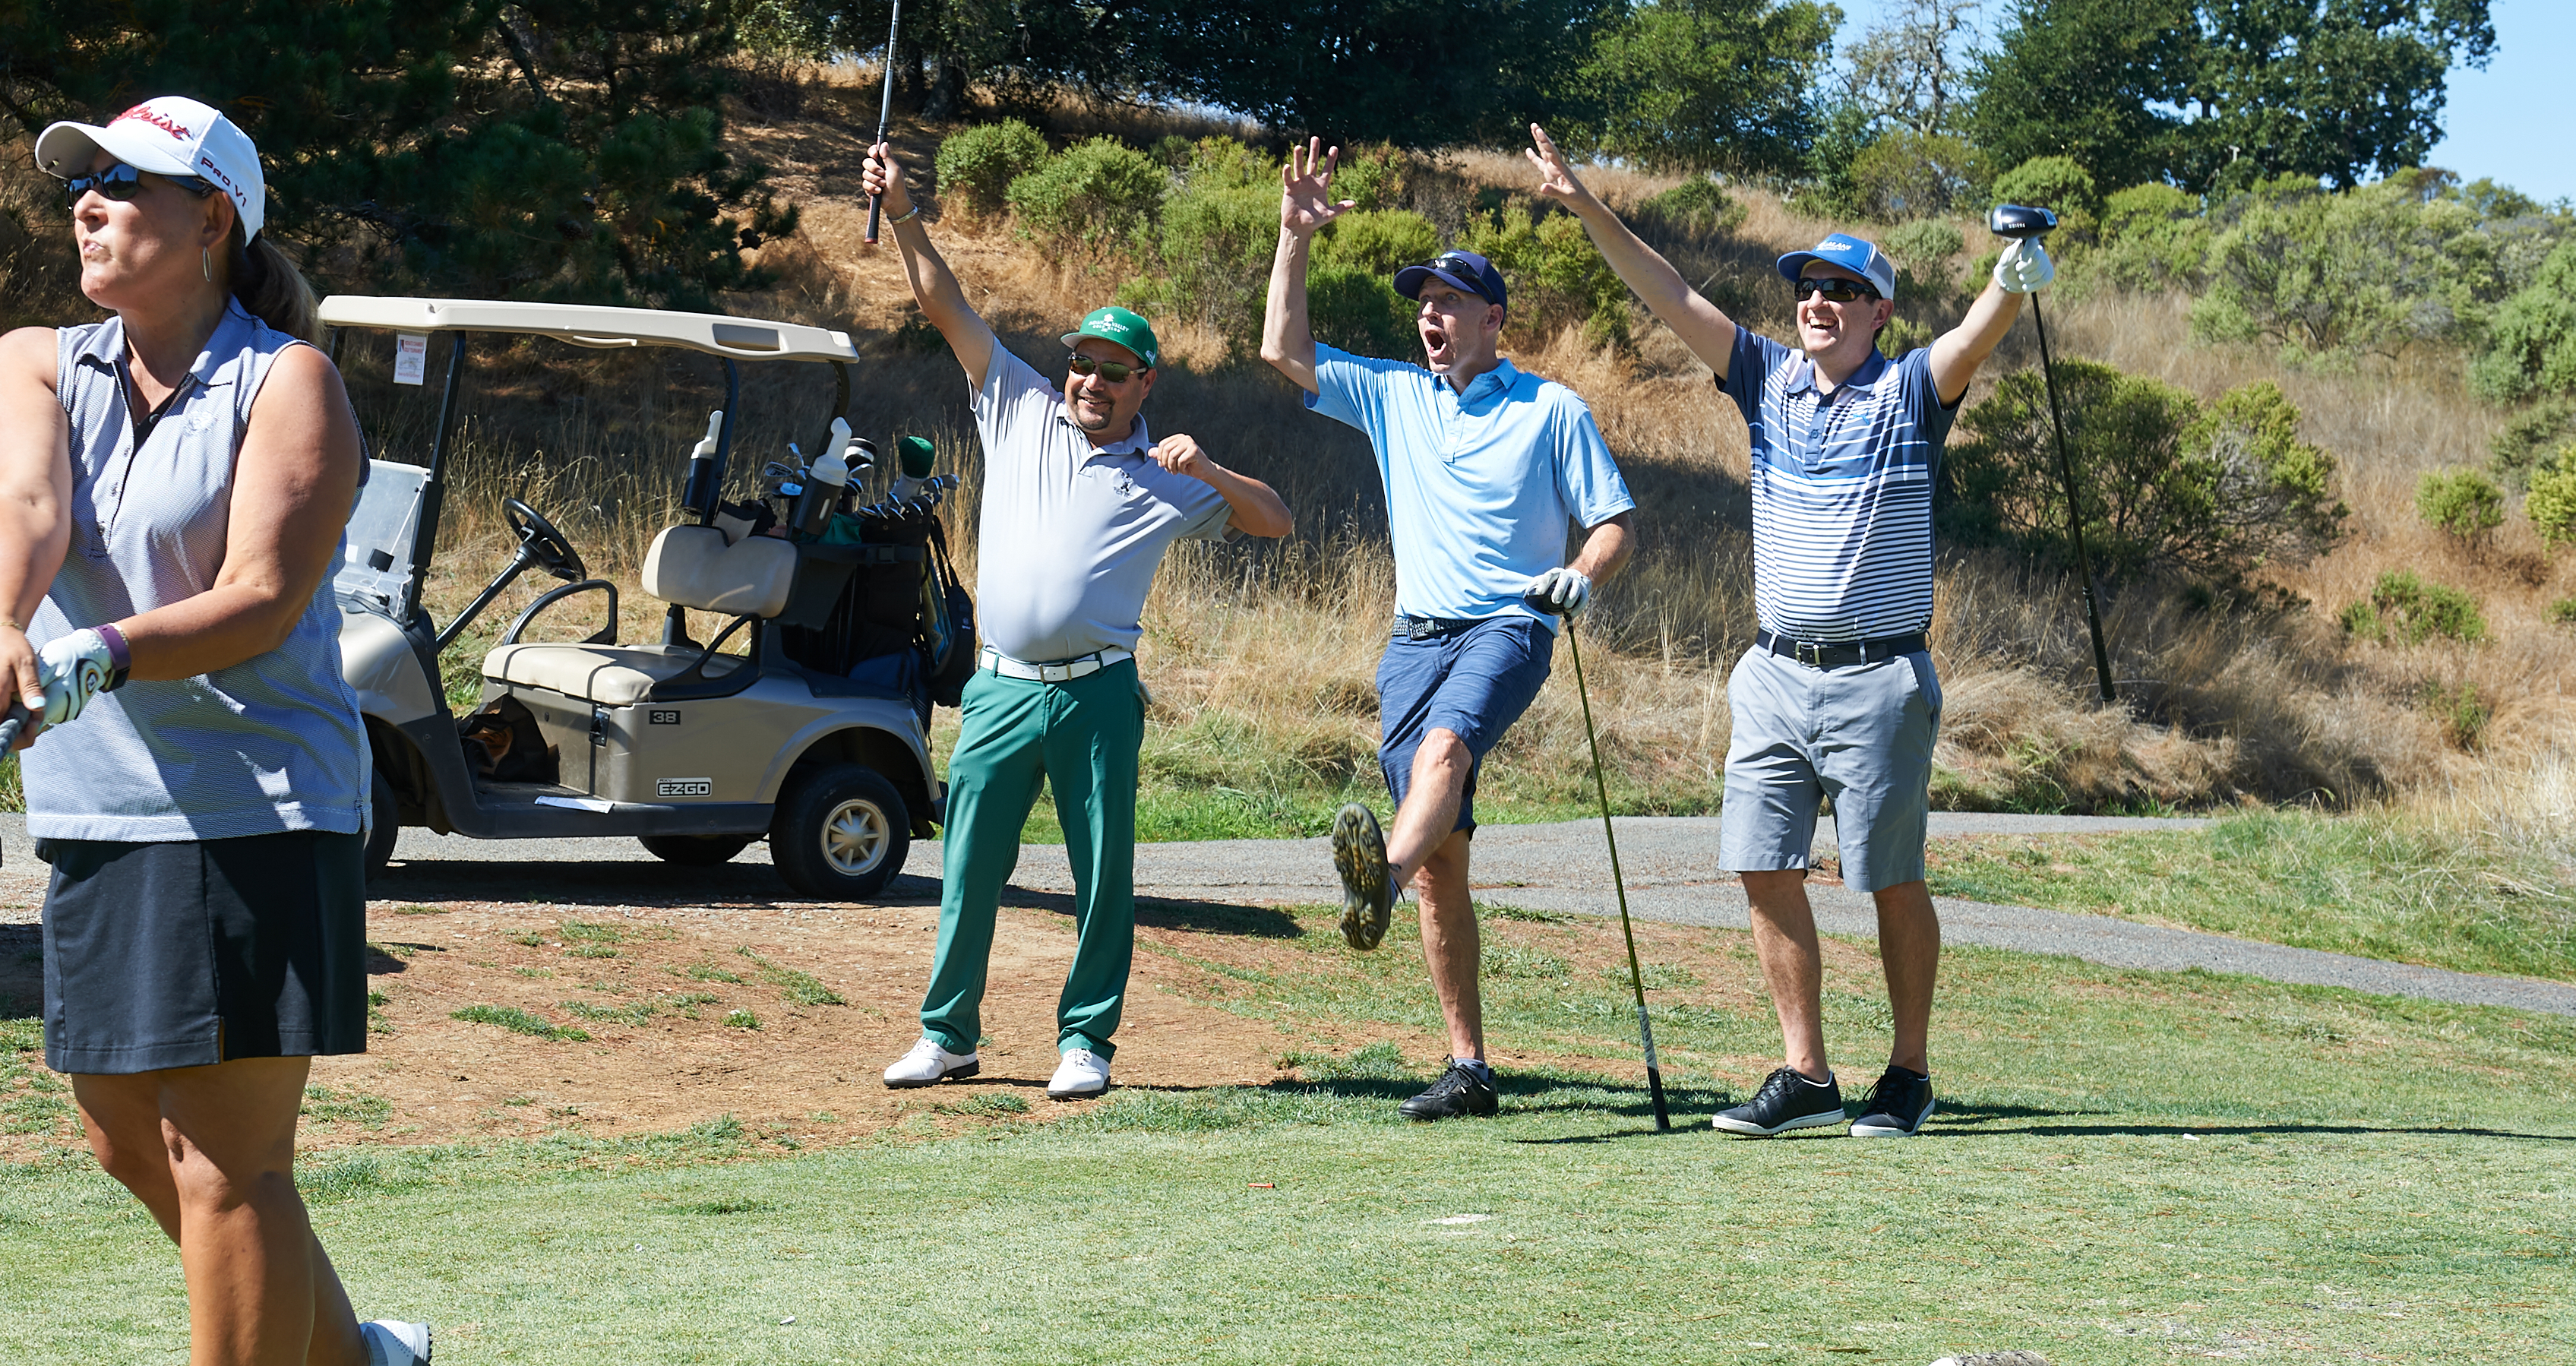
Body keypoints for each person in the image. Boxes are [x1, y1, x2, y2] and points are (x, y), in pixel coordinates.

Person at [0, 94, 427, 1366]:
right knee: (120, 1131)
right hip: (100, 802)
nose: (87, 204)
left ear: (214, 218)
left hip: (260, 807)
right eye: (79, 183)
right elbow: (22, 504)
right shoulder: (35, 360)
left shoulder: (290, 385)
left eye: (124, 185)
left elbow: (259, 599)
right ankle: (359, 1362)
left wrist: (100, 645)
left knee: (229, 1162)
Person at [1527, 125, 2043, 1140]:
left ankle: (1905, 1072)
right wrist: (1588, 205)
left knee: (1886, 878)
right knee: (1761, 866)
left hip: (1878, 677)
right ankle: (1805, 1073)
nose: (1816, 301)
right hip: (1770, 672)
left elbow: (1975, 335)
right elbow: (1668, 294)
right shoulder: (1765, 380)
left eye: (1839, 290)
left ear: (1877, 311)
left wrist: (2013, 279)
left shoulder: (1909, 391)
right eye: (1806, 287)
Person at [862, 141, 1293, 1105]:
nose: (1089, 382)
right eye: (1082, 365)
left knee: (1103, 877)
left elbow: (1278, 520)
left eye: (1112, 371)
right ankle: (948, 1035)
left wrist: (1212, 472)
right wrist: (900, 213)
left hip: (1097, 691)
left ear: (1146, 384)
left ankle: (1087, 1041)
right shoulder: (1016, 402)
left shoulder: (1164, 473)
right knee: (969, 867)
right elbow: (945, 304)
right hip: (1002, 685)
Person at [1263, 145, 1637, 1122]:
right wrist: (1292, 241)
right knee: (1445, 866)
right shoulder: (1393, 395)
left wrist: (1579, 576)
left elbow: (1612, 524)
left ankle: (1371, 880)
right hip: (1411, 640)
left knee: (1445, 749)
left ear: (1492, 319)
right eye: (1422, 303)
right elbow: (1285, 354)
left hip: (1509, 626)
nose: (1430, 317)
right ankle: (1469, 1067)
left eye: (1449, 302)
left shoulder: (1552, 408)